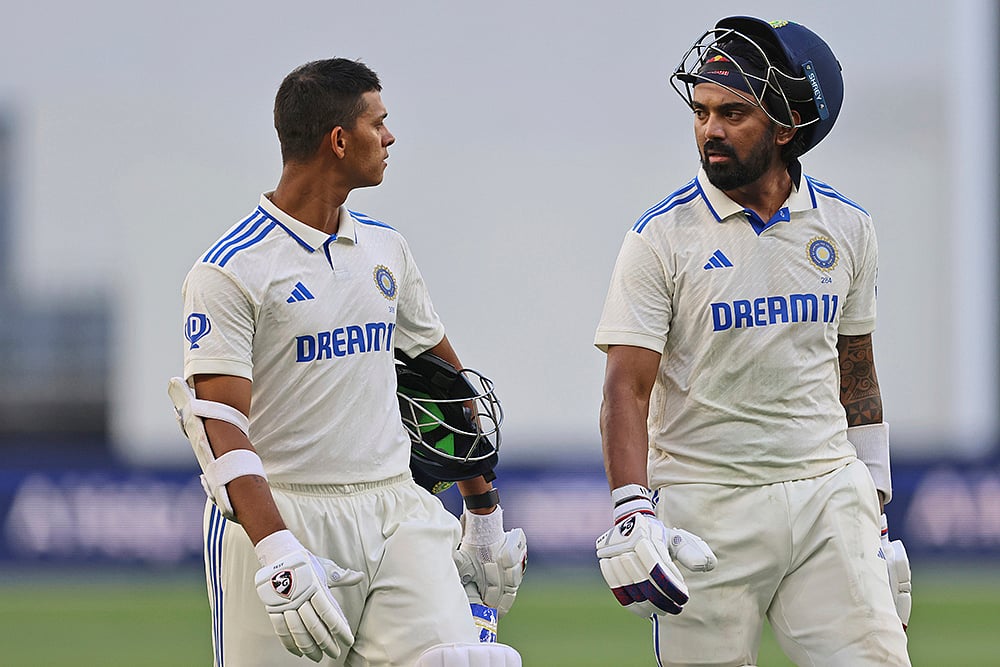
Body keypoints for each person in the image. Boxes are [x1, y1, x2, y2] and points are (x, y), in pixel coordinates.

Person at [167, 58, 524, 666]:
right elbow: (221, 426)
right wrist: (278, 550)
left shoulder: (387, 248)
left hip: (396, 508)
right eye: (378, 124)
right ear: (339, 141)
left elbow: (439, 385)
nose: (390, 138)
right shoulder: (229, 270)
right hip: (282, 514)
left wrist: (483, 512)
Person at [593, 17, 912, 667]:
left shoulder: (847, 227)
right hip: (705, 510)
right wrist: (632, 510)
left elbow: (857, 374)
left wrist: (874, 508)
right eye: (703, 110)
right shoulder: (662, 236)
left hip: (827, 497)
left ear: (788, 126)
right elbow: (625, 386)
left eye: (733, 112)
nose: (710, 129)